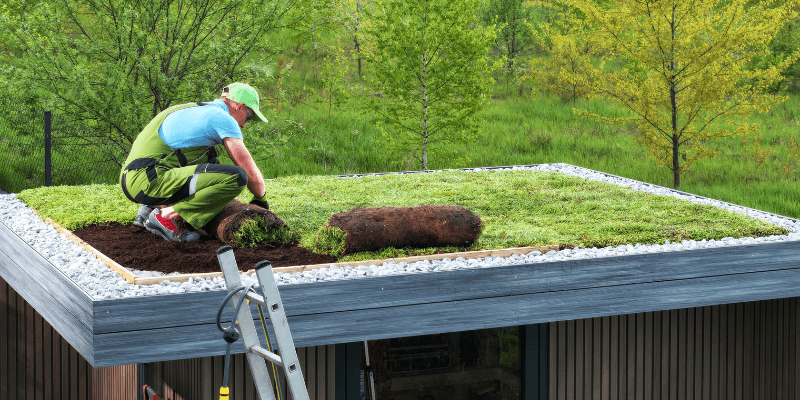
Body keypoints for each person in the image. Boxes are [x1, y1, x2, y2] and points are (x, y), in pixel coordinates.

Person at [119, 83, 271, 241]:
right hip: (149, 181)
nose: (245, 124)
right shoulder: (223, 118)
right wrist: (261, 200)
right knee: (237, 177)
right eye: (250, 116)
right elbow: (251, 176)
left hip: (135, 178)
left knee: (212, 161)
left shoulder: (191, 109)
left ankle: (149, 209)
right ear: (240, 107)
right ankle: (168, 218)